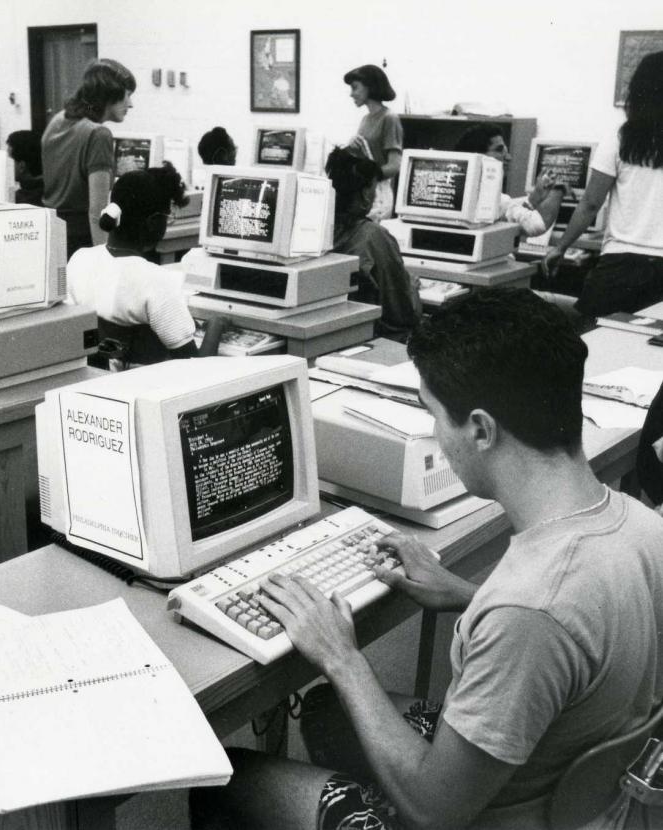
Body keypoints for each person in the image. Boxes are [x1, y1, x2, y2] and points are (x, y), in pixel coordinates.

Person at [190, 288, 663, 830]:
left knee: (223, 778)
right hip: (589, 798)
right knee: (329, 712)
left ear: (481, 430)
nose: (437, 434)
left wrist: (341, 654)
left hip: (484, 815)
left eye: (434, 414)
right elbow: (580, 629)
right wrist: (467, 595)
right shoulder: (642, 526)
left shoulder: (528, 610)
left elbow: (432, 809)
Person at [67, 163, 225, 365]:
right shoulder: (156, 280)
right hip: (145, 387)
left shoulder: (80, 259)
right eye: (168, 216)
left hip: (98, 381)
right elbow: (194, 368)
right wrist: (216, 326)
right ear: (152, 222)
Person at [545, 51, 663, 319]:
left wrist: (560, 248)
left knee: (593, 343)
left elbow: (590, 204)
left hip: (621, 265)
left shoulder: (620, 139)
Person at [41, 58, 136, 257]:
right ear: (111, 93)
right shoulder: (99, 134)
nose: (131, 104)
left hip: (51, 234)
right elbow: (97, 212)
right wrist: (102, 260)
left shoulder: (57, 120)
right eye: (128, 95)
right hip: (82, 239)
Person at [325, 147, 420, 338]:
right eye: (374, 188)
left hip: (337, 335)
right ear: (366, 193)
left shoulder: (322, 231)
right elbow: (404, 314)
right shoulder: (374, 237)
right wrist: (412, 286)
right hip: (377, 339)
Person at [455, 124, 567, 237]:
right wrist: (558, 189)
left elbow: (508, 210)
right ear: (478, 156)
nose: (509, 158)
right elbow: (537, 225)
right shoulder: (489, 199)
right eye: (499, 150)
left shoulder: (459, 191)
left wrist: (535, 197)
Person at [344, 64, 402, 221]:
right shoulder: (365, 120)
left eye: (355, 88)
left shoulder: (389, 118)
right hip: (366, 193)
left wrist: (368, 176)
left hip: (379, 196)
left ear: (370, 87)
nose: (351, 94)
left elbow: (394, 166)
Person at [6, 130, 43, 206]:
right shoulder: (52, 192)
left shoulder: (19, 200)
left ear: (21, 166)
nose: (6, 165)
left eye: (9, 160)